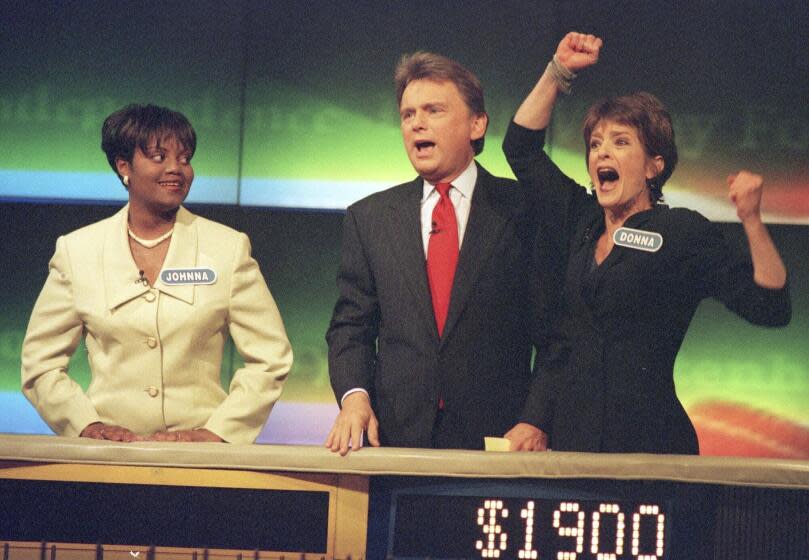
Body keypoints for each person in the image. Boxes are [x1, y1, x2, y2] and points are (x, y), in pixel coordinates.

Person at [502, 32, 791, 454]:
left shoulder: (682, 233)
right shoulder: (579, 218)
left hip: (651, 446)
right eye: (596, 144)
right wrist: (558, 71)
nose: (603, 153)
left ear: (654, 166)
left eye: (621, 143)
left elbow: (770, 306)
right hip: (573, 445)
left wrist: (751, 220)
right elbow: (521, 149)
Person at [21, 104, 292, 444]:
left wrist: (218, 432)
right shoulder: (78, 251)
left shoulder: (227, 248)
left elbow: (271, 359)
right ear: (124, 166)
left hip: (201, 463)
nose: (176, 169)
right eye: (159, 157)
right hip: (106, 458)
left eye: (184, 158)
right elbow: (40, 364)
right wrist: (85, 426)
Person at [325, 52, 547, 454]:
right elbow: (350, 327)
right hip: (396, 440)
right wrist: (354, 397)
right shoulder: (370, 218)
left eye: (433, 110)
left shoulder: (523, 210)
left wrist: (535, 419)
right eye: (408, 114)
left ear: (476, 124)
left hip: (500, 442)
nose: (417, 124)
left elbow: (554, 333)